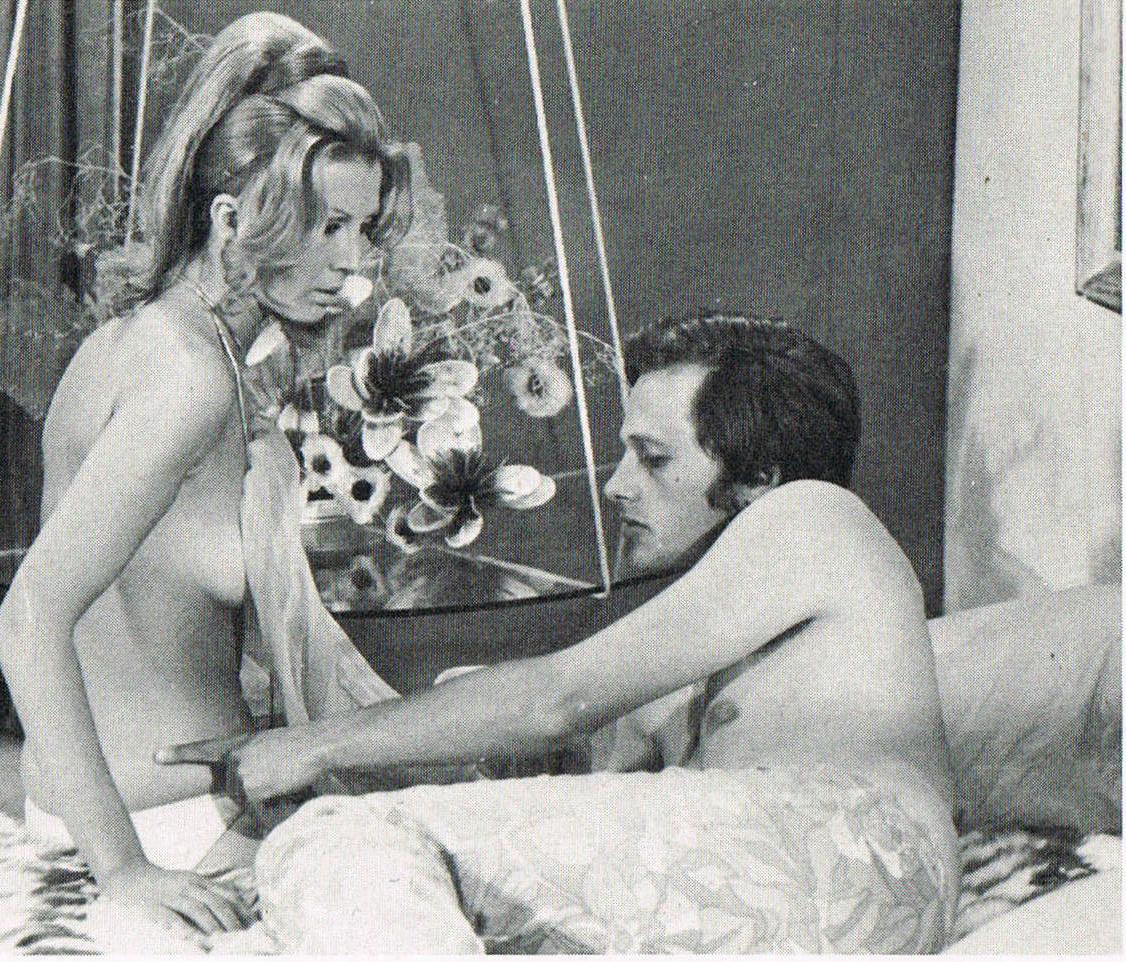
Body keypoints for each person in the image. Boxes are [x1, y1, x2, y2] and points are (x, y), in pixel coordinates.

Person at [159, 315, 962, 953]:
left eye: (652, 459)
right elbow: (568, 770)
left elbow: (557, 699)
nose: (615, 486)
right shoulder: (728, 613)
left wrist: (311, 746)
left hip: (855, 854)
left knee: (338, 843)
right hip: (830, 881)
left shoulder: (814, 515)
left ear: (760, 477)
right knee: (376, 845)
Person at [0, 11, 412, 937]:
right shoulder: (188, 379)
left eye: (361, 227)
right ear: (232, 219)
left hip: (112, 802)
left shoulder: (139, 340)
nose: (353, 264)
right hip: (168, 826)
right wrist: (124, 870)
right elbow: (26, 619)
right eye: (326, 226)